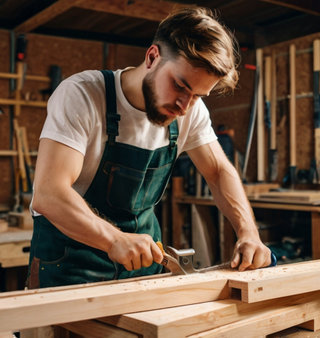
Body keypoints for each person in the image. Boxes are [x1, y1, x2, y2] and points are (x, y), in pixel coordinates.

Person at [27, 7, 272, 288]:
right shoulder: (83, 95)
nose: (184, 107)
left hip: (142, 269)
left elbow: (217, 171)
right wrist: (114, 239)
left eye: (197, 96)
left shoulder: (191, 110)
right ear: (153, 57)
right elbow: (48, 194)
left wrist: (248, 232)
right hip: (70, 267)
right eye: (179, 86)